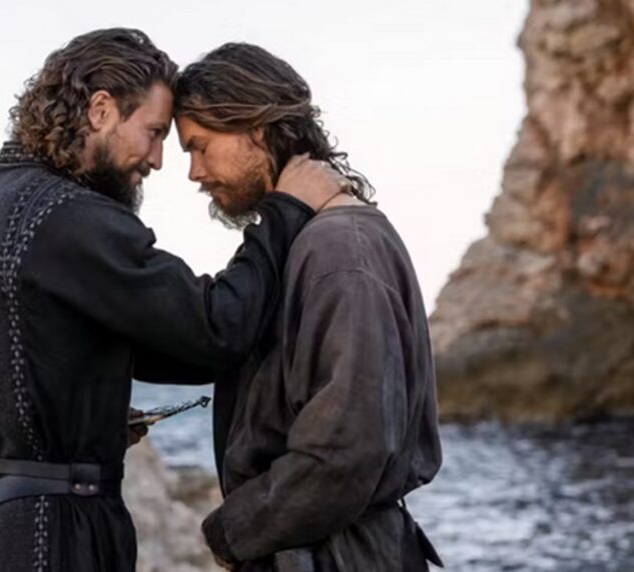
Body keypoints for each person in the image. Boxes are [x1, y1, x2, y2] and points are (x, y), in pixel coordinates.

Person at [0, 29, 342, 572]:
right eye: (154, 133)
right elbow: (216, 329)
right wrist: (284, 211)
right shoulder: (70, 217)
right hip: (59, 540)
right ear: (101, 110)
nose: (157, 160)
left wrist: (82, 418)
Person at [168, 43, 444, 571]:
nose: (194, 172)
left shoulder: (339, 249)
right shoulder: (314, 241)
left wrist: (230, 533)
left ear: (258, 128)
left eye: (200, 147)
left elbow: (347, 449)